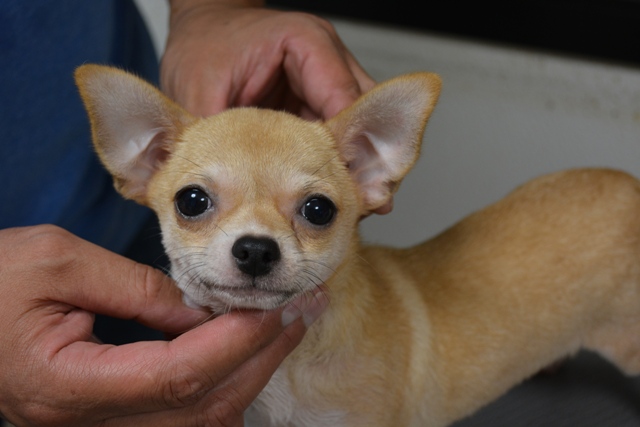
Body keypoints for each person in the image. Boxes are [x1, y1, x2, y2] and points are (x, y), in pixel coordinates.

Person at [0, 0, 374, 425]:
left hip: (121, 259)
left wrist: (208, 10)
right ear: (147, 158)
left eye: (314, 210)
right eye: (196, 203)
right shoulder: (158, 150)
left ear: (370, 170)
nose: (254, 244)